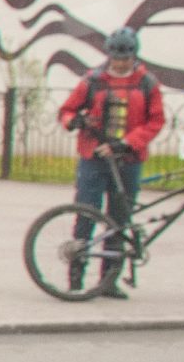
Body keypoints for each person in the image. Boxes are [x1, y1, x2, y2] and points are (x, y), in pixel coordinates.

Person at [56, 28, 165, 296]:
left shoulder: (147, 83)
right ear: (109, 55)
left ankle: (109, 281)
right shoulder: (92, 80)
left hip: (128, 159)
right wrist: (74, 121)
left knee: (119, 220)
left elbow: (156, 121)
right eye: (116, 58)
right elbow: (66, 110)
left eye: (125, 58)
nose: (119, 64)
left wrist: (129, 141)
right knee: (86, 213)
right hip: (95, 157)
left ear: (133, 56)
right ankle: (76, 278)